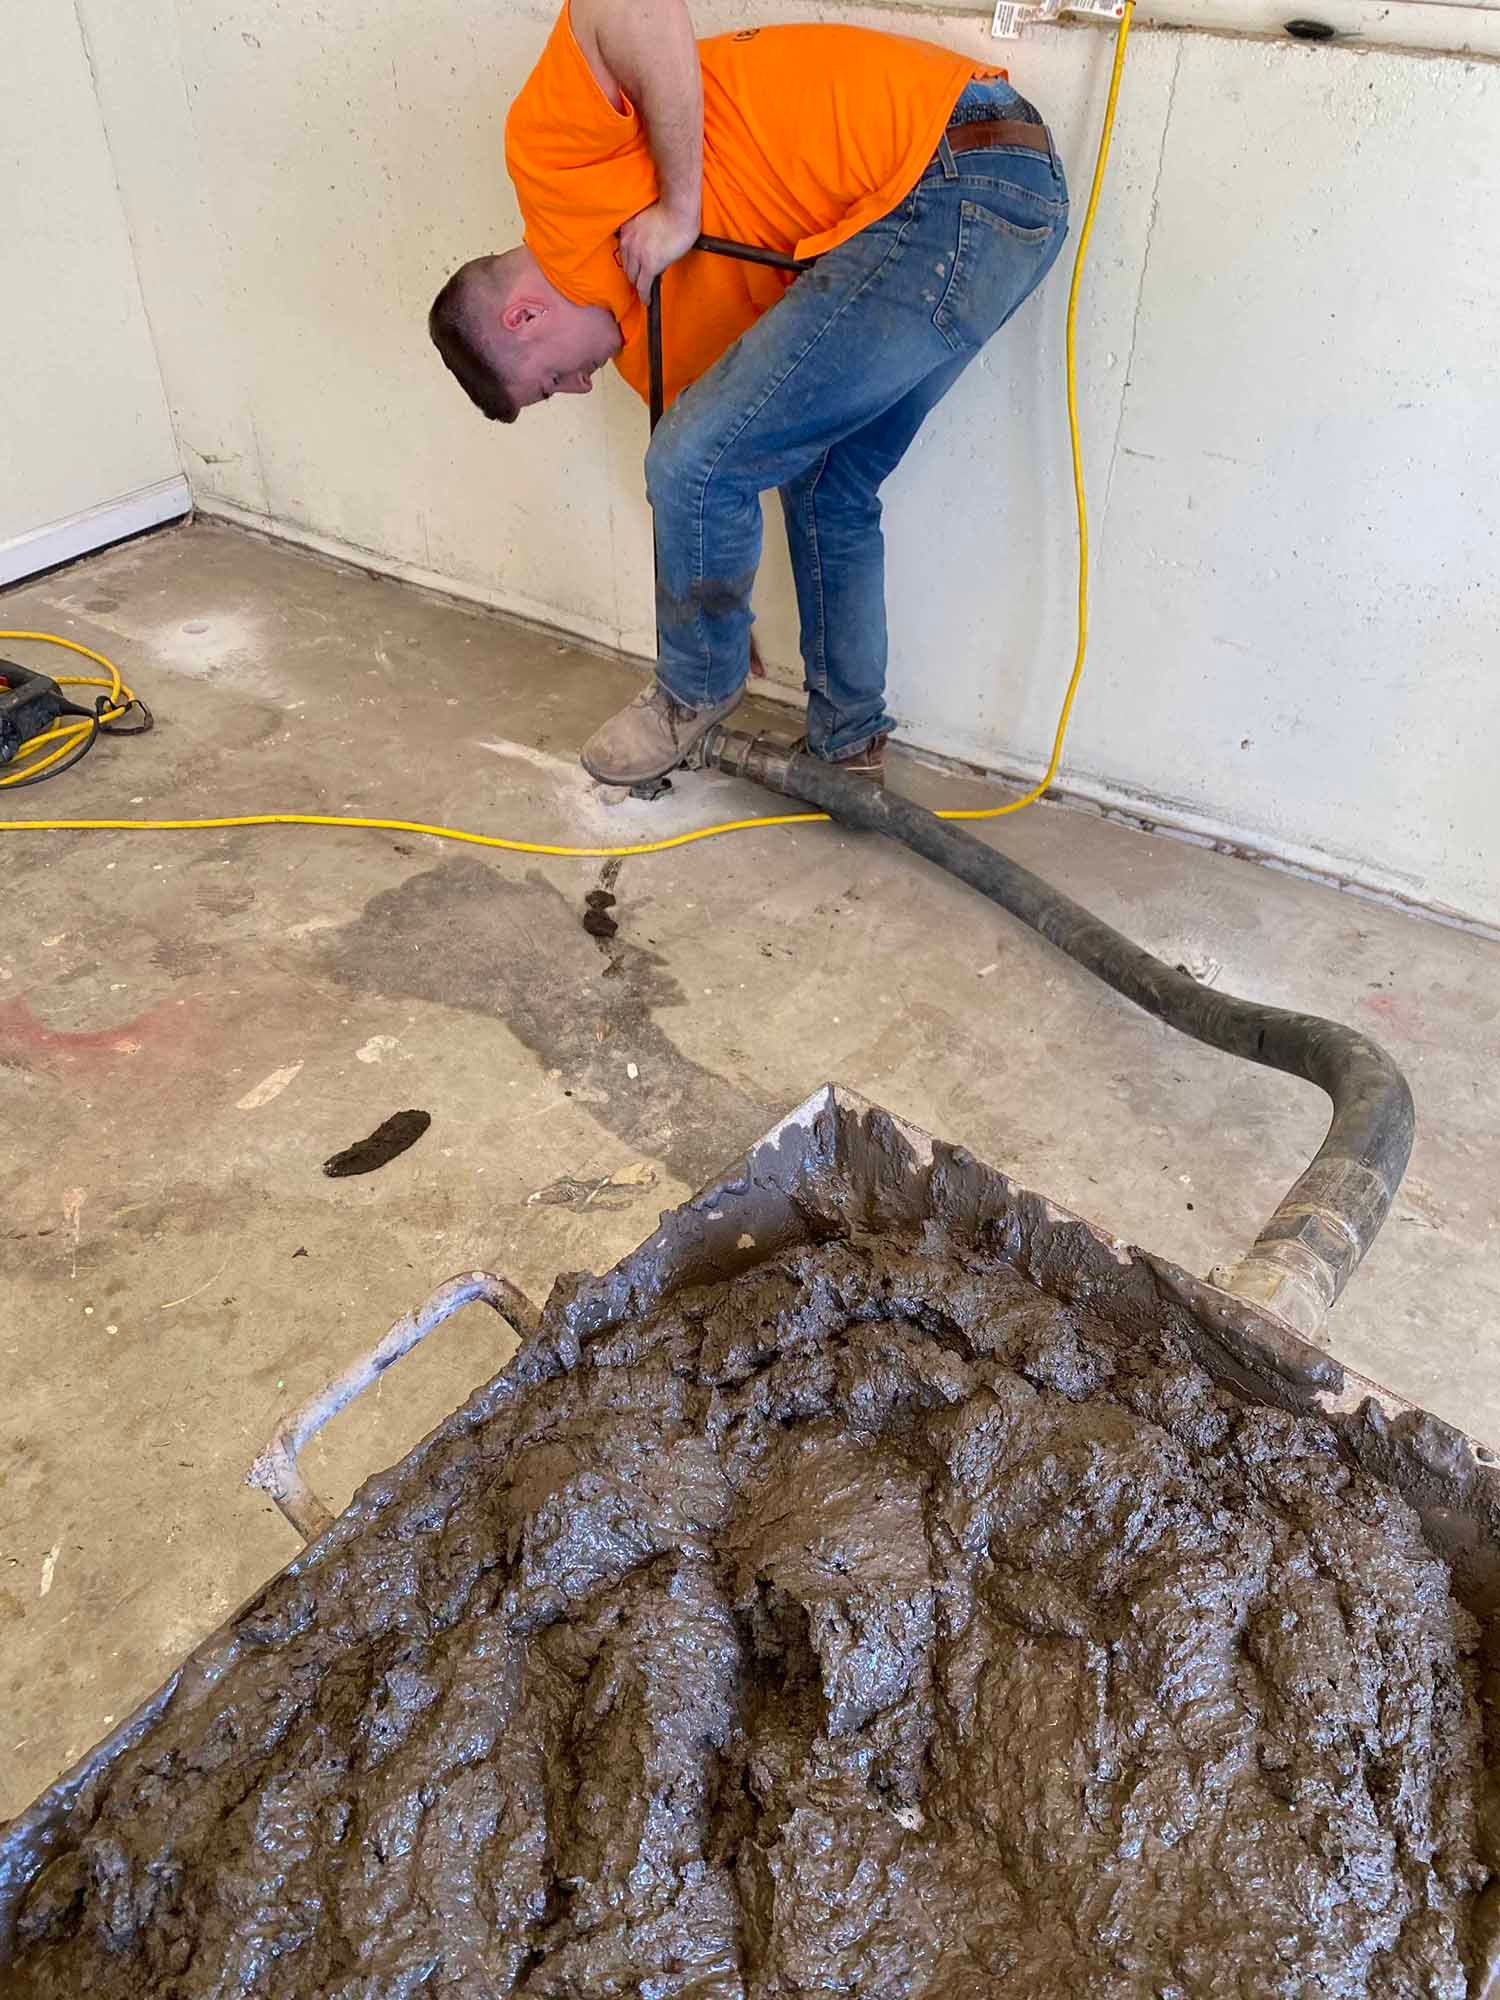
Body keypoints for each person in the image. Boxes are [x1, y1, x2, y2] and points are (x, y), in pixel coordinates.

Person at [429, 0, 1068, 787]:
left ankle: (689, 693)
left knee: (694, 459)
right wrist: (716, 613)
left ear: (521, 316)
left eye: (552, 380)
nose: (582, 383)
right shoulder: (648, 343)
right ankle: (848, 745)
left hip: (952, 171)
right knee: (829, 484)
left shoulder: (550, 168)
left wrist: (679, 206)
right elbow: (701, 485)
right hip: (997, 204)